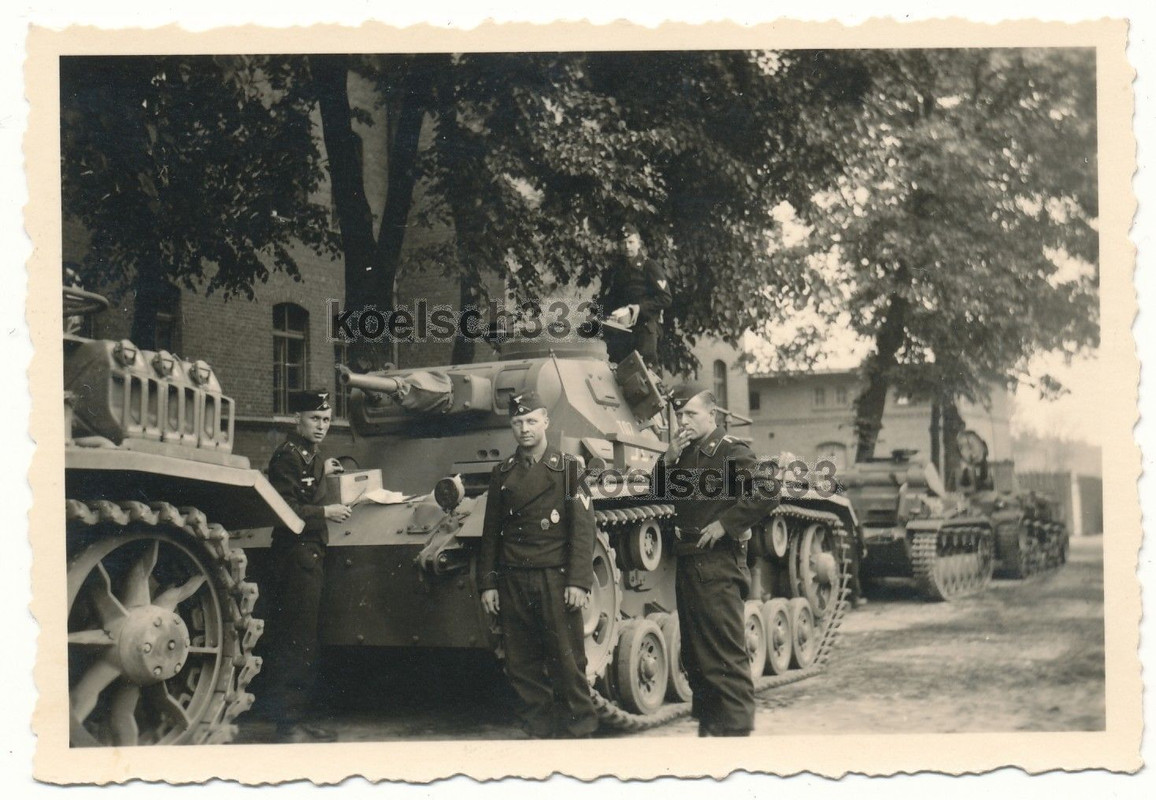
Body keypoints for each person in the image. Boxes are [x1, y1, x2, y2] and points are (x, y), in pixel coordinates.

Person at [652, 384, 778, 736]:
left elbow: (768, 490)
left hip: (718, 564)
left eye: (690, 414)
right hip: (690, 561)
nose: (683, 421)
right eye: (679, 415)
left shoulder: (730, 450)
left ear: (712, 414)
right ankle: (711, 727)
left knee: (725, 654)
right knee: (697, 655)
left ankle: (735, 732)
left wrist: (725, 524)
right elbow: (658, 494)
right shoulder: (685, 453)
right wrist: (666, 460)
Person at [477, 391, 599, 738]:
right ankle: (539, 729)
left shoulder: (571, 468)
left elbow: (583, 529)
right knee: (522, 664)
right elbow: (491, 534)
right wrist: (488, 583)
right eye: (517, 422)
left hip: (555, 578)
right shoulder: (502, 473)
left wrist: (579, 581)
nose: (524, 429)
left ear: (546, 421)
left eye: (531, 421)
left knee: (567, 661)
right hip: (513, 579)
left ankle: (580, 731)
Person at [262, 389, 352, 743]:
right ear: (296, 419)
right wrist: (326, 511)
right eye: (314, 418)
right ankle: (287, 724)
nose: (321, 426)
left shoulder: (309, 455)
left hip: (309, 555)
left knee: (305, 639)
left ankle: (296, 716)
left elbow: (307, 483)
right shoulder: (287, 457)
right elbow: (285, 509)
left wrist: (322, 469)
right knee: (295, 639)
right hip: (296, 555)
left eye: (326, 419)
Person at [599, 222, 672, 367]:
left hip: (644, 331)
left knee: (643, 373)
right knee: (618, 372)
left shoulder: (649, 266)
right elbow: (611, 299)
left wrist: (639, 308)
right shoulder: (617, 271)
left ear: (639, 243)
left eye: (631, 242)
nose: (627, 246)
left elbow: (665, 298)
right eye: (623, 243)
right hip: (621, 332)